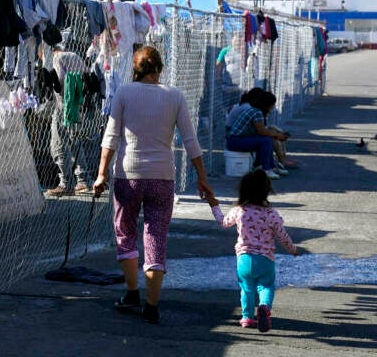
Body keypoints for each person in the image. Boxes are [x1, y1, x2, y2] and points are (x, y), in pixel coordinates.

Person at [92, 46, 213, 323]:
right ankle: (152, 305)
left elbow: (110, 137)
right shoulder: (175, 96)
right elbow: (191, 140)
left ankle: (132, 291)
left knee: (125, 232)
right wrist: (202, 178)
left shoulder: (124, 92)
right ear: (160, 68)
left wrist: (101, 174)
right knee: (156, 237)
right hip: (162, 176)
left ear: (135, 69)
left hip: (128, 175)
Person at [204, 169, 301, 332]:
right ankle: (264, 307)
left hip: (244, 259)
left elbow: (223, 222)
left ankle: (247, 317)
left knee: (246, 288)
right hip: (265, 259)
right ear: (266, 191)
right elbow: (283, 237)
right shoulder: (271, 214)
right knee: (266, 286)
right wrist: (293, 250)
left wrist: (214, 205)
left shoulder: (239, 211)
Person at [46, 45, 92, 197]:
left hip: (64, 106)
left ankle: (66, 182)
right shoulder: (74, 55)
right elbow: (87, 75)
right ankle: (83, 179)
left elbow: (61, 80)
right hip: (80, 104)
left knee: (57, 143)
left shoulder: (57, 57)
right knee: (74, 140)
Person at [225, 88, 288, 179]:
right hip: (235, 141)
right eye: (273, 104)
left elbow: (261, 130)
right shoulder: (256, 112)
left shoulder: (255, 110)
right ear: (267, 105)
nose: (273, 107)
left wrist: (275, 134)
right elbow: (262, 131)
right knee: (265, 140)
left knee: (267, 139)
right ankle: (266, 169)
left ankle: (271, 167)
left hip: (237, 139)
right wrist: (277, 135)